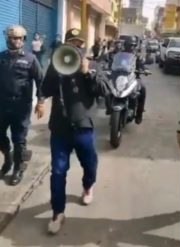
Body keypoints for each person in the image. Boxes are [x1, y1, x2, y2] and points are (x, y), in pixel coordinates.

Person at [41, 28, 109, 234]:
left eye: (79, 44)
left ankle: (88, 185)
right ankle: (57, 212)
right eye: (71, 43)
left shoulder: (94, 65)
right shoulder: (56, 66)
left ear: (84, 46)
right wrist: (41, 100)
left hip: (83, 127)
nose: (76, 48)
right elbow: (45, 89)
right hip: (60, 129)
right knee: (58, 171)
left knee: (90, 164)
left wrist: (88, 72)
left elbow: (104, 91)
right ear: (65, 45)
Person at [0, 25, 45, 185]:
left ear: (24, 40)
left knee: (19, 139)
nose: (17, 41)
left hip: (21, 106)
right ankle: (8, 158)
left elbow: (41, 81)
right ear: (8, 39)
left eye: (20, 38)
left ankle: (17, 169)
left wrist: (40, 102)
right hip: (2, 105)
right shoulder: (1, 57)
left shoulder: (30, 59)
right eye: (13, 37)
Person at [121, 36, 147, 124]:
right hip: (120, 77)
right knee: (108, 88)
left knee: (143, 89)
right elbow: (112, 63)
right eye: (129, 45)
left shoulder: (137, 56)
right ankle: (110, 107)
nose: (131, 47)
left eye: (133, 45)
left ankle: (139, 114)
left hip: (134, 78)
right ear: (125, 45)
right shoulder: (119, 54)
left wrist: (143, 69)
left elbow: (142, 65)